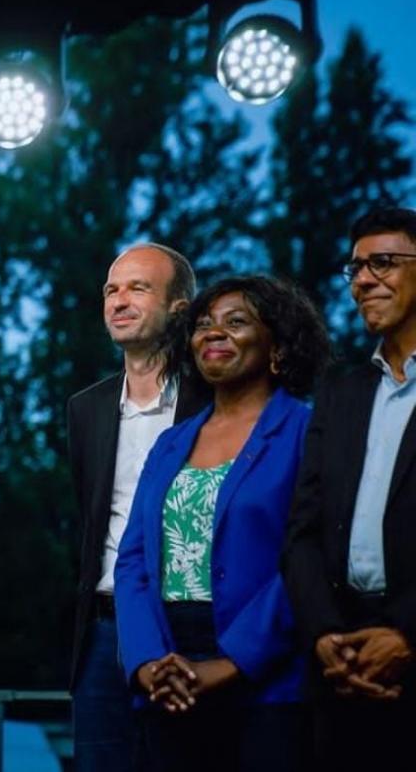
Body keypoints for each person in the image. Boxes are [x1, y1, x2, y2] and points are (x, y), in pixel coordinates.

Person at [115, 276, 331, 772]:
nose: (213, 333)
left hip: (267, 680)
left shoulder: (307, 431)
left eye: (236, 322)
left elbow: (309, 555)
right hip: (168, 674)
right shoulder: (171, 444)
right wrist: (149, 663)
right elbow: (132, 563)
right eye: (204, 325)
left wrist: (231, 662)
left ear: (277, 345)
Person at [282, 205, 416, 770]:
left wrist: (409, 636)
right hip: (338, 665)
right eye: (355, 268)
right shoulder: (339, 390)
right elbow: (301, 532)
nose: (363, 280)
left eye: (382, 263)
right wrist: (325, 637)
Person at [67, 243, 205, 772]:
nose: (118, 300)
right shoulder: (86, 408)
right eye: (111, 290)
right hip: (103, 633)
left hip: (189, 626)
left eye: (138, 288)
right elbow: (88, 518)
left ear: (179, 306)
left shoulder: (214, 399)